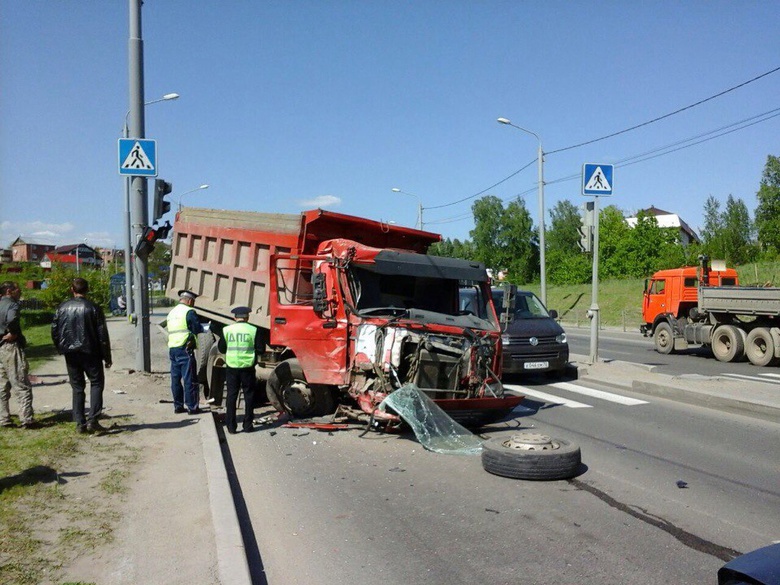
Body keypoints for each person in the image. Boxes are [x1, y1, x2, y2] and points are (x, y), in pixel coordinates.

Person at [51, 278, 112, 434]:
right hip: (91, 352)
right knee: (97, 384)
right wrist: (107, 357)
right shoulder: (93, 308)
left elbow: (55, 331)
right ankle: (93, 419)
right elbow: (102, 335)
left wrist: (61, 348)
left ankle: (80, 423)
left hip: (71, 353)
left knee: (77, 387)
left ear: (72, 289)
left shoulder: (62, 308)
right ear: (87, 290)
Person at [219, 306, 264, 434]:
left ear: (235, 317)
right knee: (249, 396)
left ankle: (231, 427)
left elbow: (222, 348)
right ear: (247, 317)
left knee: (231, 396)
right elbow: (261, 349)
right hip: (247, 368)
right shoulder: (254, 330)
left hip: (232, 367)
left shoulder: (227, 330)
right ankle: (248, 426)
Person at [0, 281, 35, 429]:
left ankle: (3, 417)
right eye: (17, 290)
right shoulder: (12, 305)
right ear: (9, 291)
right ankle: (26, 418)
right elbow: (12, 319)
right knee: (20, 382)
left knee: (1, 384)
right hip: (10, 347)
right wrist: (13, 333)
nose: (20, 292)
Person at [166, 289, 204, 414]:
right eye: (193, 301)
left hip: (173, 349)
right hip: (185, 348)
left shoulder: (171, 312)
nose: (193, 304)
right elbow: (196, 328)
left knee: (175, 379)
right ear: (189, 300)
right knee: (190, 379)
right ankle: (192, 407)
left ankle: (178, 406)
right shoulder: (189, 311)